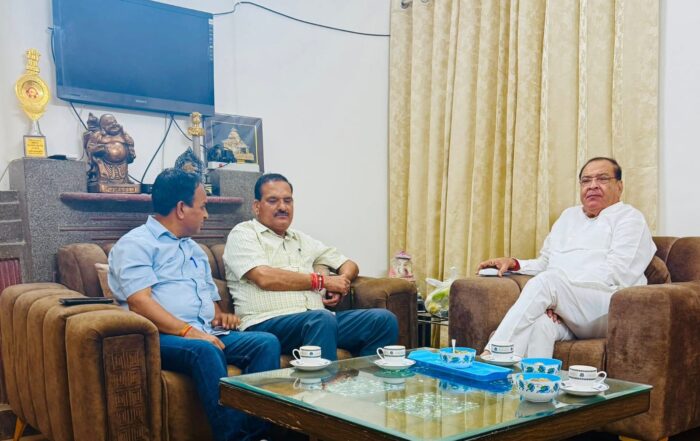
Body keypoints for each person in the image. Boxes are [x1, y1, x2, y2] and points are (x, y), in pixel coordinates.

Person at [108, 168, 280, 441]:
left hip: (202, 332)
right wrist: (189, 332)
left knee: (265, 343)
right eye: (202, 206)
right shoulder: (135, 244)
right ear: (180, 208)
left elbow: (209, 304)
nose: (206, 214)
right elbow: (140, 302)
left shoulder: (193, 250)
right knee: (205, 350)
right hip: (160, 336)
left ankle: (260, 434)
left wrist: (221, 317)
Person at [478, 157, 656, 358]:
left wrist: (560, 299)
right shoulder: (567, 217)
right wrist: (515, 263)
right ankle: (533, 377)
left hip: (608, 306)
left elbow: (616, 273)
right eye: (586, 180)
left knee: (547, 282)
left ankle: (491, 355)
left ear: (619, 186)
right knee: (540, 325)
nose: (593, 186)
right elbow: (546, 263)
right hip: (569, 304)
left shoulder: (630, 218)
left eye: (602, 179)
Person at [223, 173, 399, 360]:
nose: (282, 207)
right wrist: (322, 281)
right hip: (265, 322)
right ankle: (323, 380)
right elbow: (264, 277)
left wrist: (341, 282)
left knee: (383, 320)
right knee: (321, 319)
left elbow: (348, 264)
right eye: (273, 201)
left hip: (318, 320)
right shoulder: (244, 233)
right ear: (257, 206)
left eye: (287, 201)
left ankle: (367, 379)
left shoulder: (302, 239)